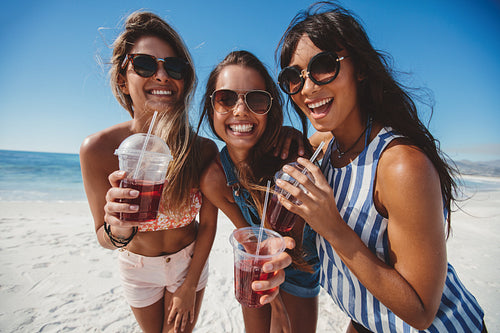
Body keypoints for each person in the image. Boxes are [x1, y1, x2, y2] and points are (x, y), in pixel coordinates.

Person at [274, 2, 487, 332]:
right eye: (294, 78)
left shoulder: (401, 165)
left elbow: (420, 312)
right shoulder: (327, 149)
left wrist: (330, 225)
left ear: (359, 68)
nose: (309, 87)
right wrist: (289, 134)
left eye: (324, 65)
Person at [80, 11, 293, 333]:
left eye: (174, 66)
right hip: (138, 266)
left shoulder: (202, 151)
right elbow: (105, 238)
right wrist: (120, 229)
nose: (162, 75)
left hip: (187, 265)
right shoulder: (97, 149)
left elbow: (207, 226)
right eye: (146, 64)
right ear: (123, 77)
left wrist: (187, 287)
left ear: (185, 80)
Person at [197, 50, 320, 333]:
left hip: (300, 264)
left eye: (256, 99)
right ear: (210, 106)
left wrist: (280, 308)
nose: (240, 110)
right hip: (254, 263)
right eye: (226, 99)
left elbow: (291, 244)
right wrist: (273, 304)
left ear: (270, 109)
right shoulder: (214, 178)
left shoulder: (290, 157)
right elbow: (251, 241)